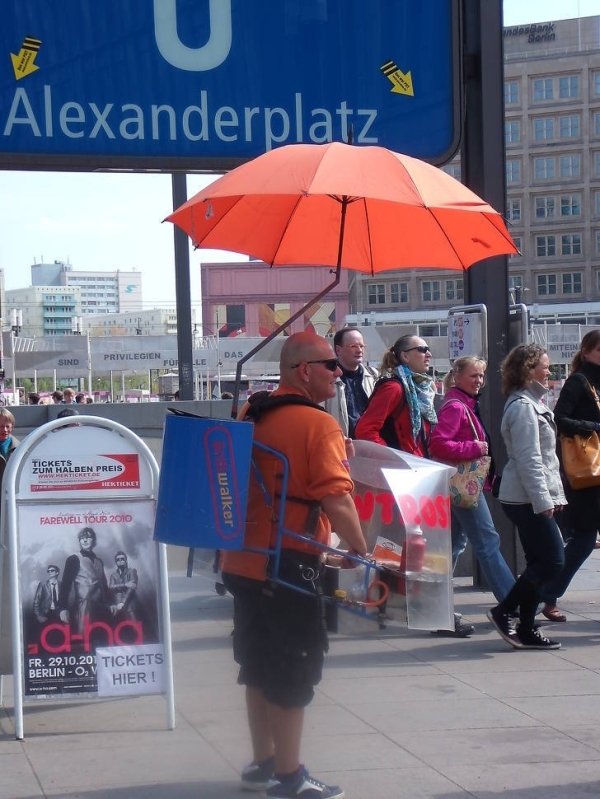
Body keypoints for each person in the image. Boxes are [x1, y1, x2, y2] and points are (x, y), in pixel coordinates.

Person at [221, 331, 368, 799]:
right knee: (294, 667)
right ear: (304, 370)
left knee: (258, 664)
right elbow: (335, 498)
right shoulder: (317, 424)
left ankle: (263, 763)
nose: (338, 373)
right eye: (331, 365)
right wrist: (362, 550)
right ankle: (290, 777)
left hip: (242, 559)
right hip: (292, 561)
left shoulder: (252, 411)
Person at [355, 335, 473, 638]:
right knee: (406, 546)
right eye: (421, 349)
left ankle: (395, 604)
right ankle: (420, 609)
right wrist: (398, 463)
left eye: (428, 349)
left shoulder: (419, 388)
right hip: (402, 480)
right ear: (404, 356)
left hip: (416, 479)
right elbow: (366, 430)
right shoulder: (394, 387)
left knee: (403, 546)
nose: (428, 353)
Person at [487, 344, 566, 650]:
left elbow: (545, 460)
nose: (550, 371)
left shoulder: (533, 403)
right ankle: (505, 610)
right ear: (528, 369)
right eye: (545, 366)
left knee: (540, 562)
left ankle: (527, 628)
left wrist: (551, 496)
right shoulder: (522, 407)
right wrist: (543, 500)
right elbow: (529, 459)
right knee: (553, 560)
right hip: (525, 499)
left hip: (530, 496)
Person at [430, 357, 515, 603]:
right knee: (487, 542)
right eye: (473, 376)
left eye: (481, 376)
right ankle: (512, 602)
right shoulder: (456, 406)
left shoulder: (461, 403)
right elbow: (438, 443)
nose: (479, 381)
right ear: (457, 376)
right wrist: (474, 448)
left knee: (455, 545)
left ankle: (434, 597)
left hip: (460, 486)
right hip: (464, 487)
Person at [539, 330, 600, 622]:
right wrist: (594, 426)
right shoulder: (579, 381)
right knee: (584, 540)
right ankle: (547, 594)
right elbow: (559, 419)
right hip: (588, 475)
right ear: (586, 351)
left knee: (584, 540)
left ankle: (546, 593)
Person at [324, 327, 378, 438]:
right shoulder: (326, 378)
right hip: (341, 445)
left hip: (370, 446)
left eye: (361, 346)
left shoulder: (374, 376)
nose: (359, 350)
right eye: (353, 346)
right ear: (338, 350)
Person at [59, 527, 110, 634]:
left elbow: (104, 585)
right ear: (79, 541)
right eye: (82, 538)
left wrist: (111, 603)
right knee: (85, 637)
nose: (85, 540)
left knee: (102, 638)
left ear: (93, 540)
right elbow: (65, 585)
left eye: (88, 537)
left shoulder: (99, 561)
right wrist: (63, 608)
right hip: (84, 607)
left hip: (101, 607)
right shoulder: (74, 559)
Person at [109, 551, 141, 621]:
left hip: (130, 607)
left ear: (126, 560)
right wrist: (125, 585)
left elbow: (131, 589)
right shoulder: (113, 575)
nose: (120, 561)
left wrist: (122, 602)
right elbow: (111, 587)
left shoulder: (132, 571)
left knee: (134, 627)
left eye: (122, 559)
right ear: (116, 562)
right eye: (118, 560)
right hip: (117, 607)